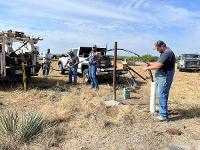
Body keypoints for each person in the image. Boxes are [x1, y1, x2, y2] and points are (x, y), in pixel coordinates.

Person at [143, 40, 175, 121]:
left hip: (164, 77)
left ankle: (164, 116)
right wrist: (151, 64)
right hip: (161, 76)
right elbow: (159, 62)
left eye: (157, 48)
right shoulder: (164, 52)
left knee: (162, 95)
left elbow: (159, 65)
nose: (156, 50)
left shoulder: (167, 53)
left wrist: (147, 68)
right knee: (160, 94)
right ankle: (162, 109)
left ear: (162, 46)